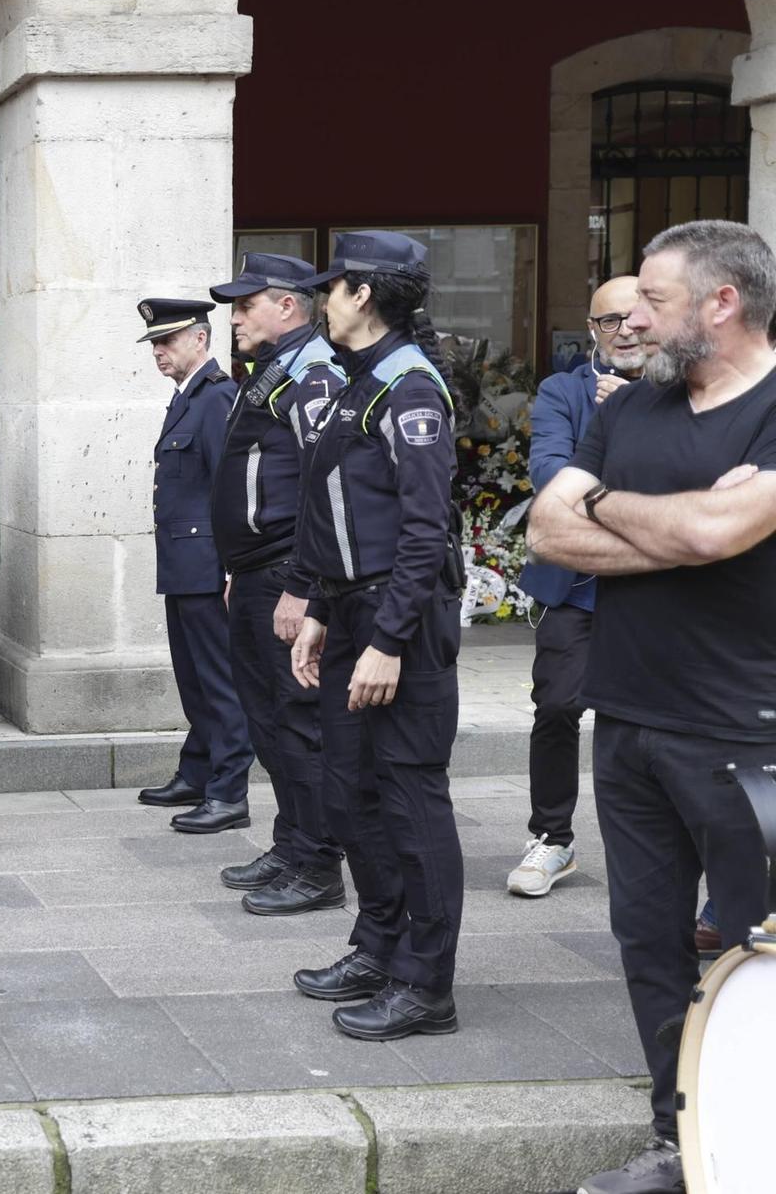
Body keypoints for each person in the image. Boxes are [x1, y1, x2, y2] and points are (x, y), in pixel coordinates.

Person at [526, 220, 776, 1194]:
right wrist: (684, 533)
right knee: (647, 944)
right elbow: (549, 526)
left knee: (755, 956)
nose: (630, 316)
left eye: (652, 299)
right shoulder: (630, 405)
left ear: (721, 302)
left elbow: (719, 524)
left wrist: (614, 511)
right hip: (623, 720)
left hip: (742, 732)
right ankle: (684, 1143)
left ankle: (757, 1151)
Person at [288, 231, 465, 1044]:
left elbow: (426, 534)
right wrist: (323, 608)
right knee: (352, 791)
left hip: (403, 621)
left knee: (409, 798)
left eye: (332, 287)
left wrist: (388, 640)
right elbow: (342, 516)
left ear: (362, 294)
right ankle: (380, 944)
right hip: (358, 612)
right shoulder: (366, 380)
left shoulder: (410, 389)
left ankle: (426, 984)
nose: (322, 299)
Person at [206, 255, 349, 913]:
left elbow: (325, 484)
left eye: (245, 303)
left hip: (287, 576)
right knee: (268, 719)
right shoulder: (277, 367)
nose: (233, 315)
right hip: (259, 575)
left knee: (297, 720)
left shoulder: (313, 372)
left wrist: (301, 584)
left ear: (287, 307)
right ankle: (292, 841)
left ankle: (318, 862)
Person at [508, 275, 643, 899]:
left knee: (644, 723)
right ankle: (552, 837)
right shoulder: (563, 390)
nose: (624, 331)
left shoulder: (688, 391)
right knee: (558, 706)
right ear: (592, 331)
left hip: (656, 588)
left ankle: (650, 845)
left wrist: (633, 421)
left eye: (634, 317)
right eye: (608, 321)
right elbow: (550, 475)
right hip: (577, 587)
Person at [133, 300, 255, 835]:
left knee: (218, 681)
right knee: (193, 679)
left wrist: (232, 570)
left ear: (200, 341)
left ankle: (229, 793)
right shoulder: (187, 399)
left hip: (207, 566)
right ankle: (199, 770)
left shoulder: (215, 399)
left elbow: (228, 491)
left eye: (168, 341)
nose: (158, 352)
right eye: (154, 343)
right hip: (184, 563)